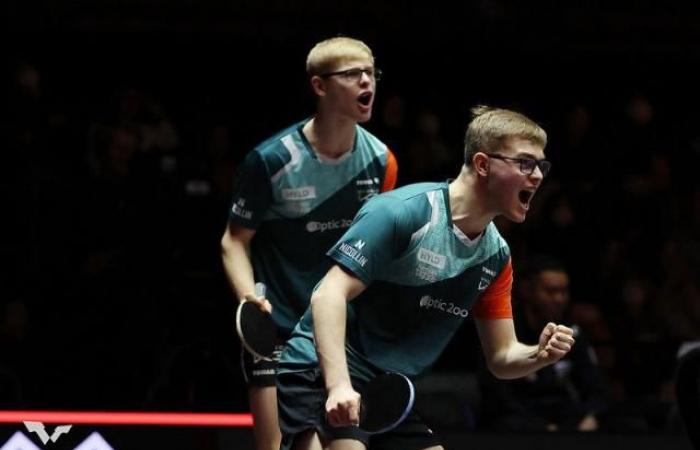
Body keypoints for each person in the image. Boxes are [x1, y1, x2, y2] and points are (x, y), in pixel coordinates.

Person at [276, 106, 575, 450]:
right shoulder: (403, 213)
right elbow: (327, 295)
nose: (537, 175)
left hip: (384, 392)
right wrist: (339, 385)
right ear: (482, 164)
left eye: (541, 166)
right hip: (322, 369)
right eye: (525, 163)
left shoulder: (495, 256)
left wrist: (539, 354)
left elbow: (502, 357)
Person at [220, 36, 398, 450]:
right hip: (278, 328)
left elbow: (377, 250)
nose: (366, 82)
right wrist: (249, 300)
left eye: (371, 73)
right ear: (320, 86)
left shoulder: (380, 161)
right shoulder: (271, 161)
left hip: (338, 333)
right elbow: (234, 241)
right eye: (353, 74)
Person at [477, 255, 609, 432]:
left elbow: (595, 387)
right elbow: (496, 395)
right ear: (528, 291)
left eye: (563, 291)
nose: (559, 299)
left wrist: (590, 416)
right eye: (550, 291)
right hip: (520, 421)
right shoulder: (502, 329)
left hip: (564, 418)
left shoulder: (571, 332)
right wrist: (543, 428)